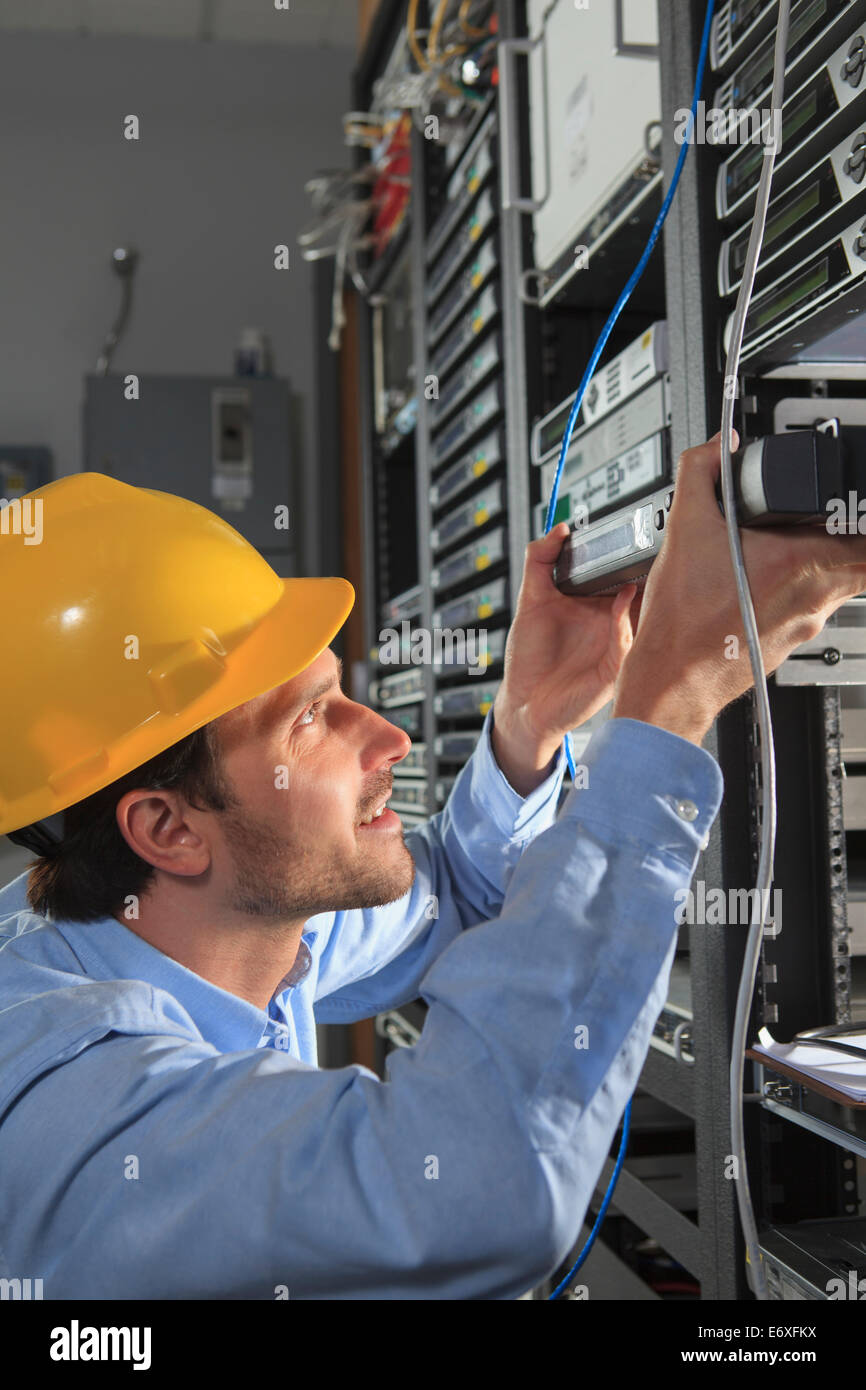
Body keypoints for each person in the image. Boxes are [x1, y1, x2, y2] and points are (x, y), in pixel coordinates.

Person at [0, 434, 863, 1300]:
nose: (389, 737)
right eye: (309, 720)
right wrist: (667, 702)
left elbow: (438, 897)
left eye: (339, 692)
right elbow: (476, 1190)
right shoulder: (75, 1110)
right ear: (167, 829)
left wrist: (527, 724)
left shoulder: (183, 922)